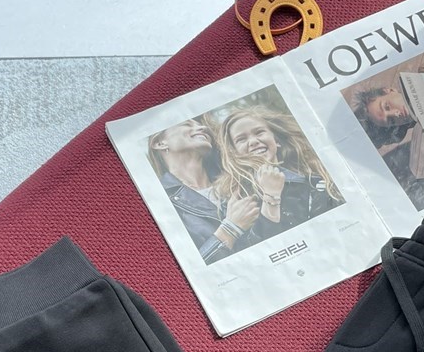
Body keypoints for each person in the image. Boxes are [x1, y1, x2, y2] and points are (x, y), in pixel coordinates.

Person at [214, 106, 343, 241]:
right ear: (234, 152)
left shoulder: (316, 176)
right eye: (241, 139)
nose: (253, 141)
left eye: (259, 132)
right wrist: (271, 195)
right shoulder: (234, 197)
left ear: (276, 140)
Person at [147, 119, 259, 263]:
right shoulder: (158, 203)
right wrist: (230, 229)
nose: (203, 127)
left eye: (199, 124)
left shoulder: (239, 180)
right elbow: (188, 267)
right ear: (160, 143)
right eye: (187, 124)